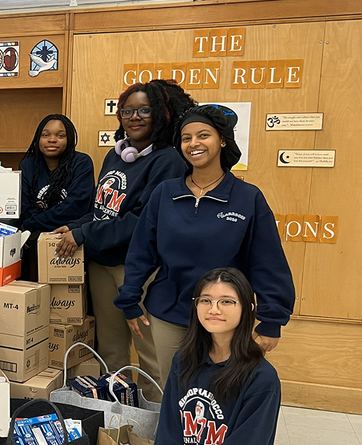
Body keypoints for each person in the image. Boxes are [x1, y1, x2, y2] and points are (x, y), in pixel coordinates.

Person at [115, 105, 294, 385]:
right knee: (172, 392)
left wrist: (272, 319)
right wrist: (129, 301)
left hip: (224, 318)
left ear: (222, 139)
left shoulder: (247, 198)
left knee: (219, 396)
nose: (194, 144)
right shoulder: (165, 193)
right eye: (186, 138)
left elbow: (268, 262)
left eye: (203, 135)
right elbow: (141, 252)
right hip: (168, 315)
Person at [53, 80, 195, 401]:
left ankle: (154, 430)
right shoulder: (115, 156)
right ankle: (117, 422)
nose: (135, 117)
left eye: (144, 110)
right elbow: (102, 210)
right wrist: (75, 227)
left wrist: (83, 234)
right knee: (111, 351)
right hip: (102, 264)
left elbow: (139, 222)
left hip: (137, 270)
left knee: (150, 355)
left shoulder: (168, 161)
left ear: (161, 113)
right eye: (127, 111)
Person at [146, 268, 281, 445]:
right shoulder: (184, 361)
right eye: (206, 300)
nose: (214, 309)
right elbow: (168, 436)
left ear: (248, 309)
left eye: (227, 301)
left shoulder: (262, 379)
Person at [19, 114, 95, 281]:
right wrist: (30, 228)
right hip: (35, 242)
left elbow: (75, 207)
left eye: (60, 135)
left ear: (69, 139)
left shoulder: (81, 162)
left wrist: (30, 226)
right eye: (46, 135)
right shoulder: (28, 165)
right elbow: (25, 206)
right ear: (38, 138)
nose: (52, 140)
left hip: (71, 238)